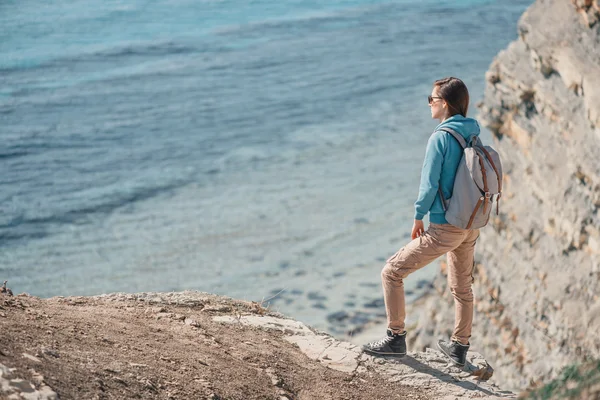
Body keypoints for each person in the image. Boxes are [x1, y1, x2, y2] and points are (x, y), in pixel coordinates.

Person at [362, 77, 481, 367]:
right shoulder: (472, 132)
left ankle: (395, 338)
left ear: (445, 104)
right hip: (470, 224)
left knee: (391, 272)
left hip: (445, 226)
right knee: (462, 288)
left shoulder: (440, 137)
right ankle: (459, 347)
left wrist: (418, 216)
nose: (429, 104)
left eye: (432, 99)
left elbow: (429, 185)